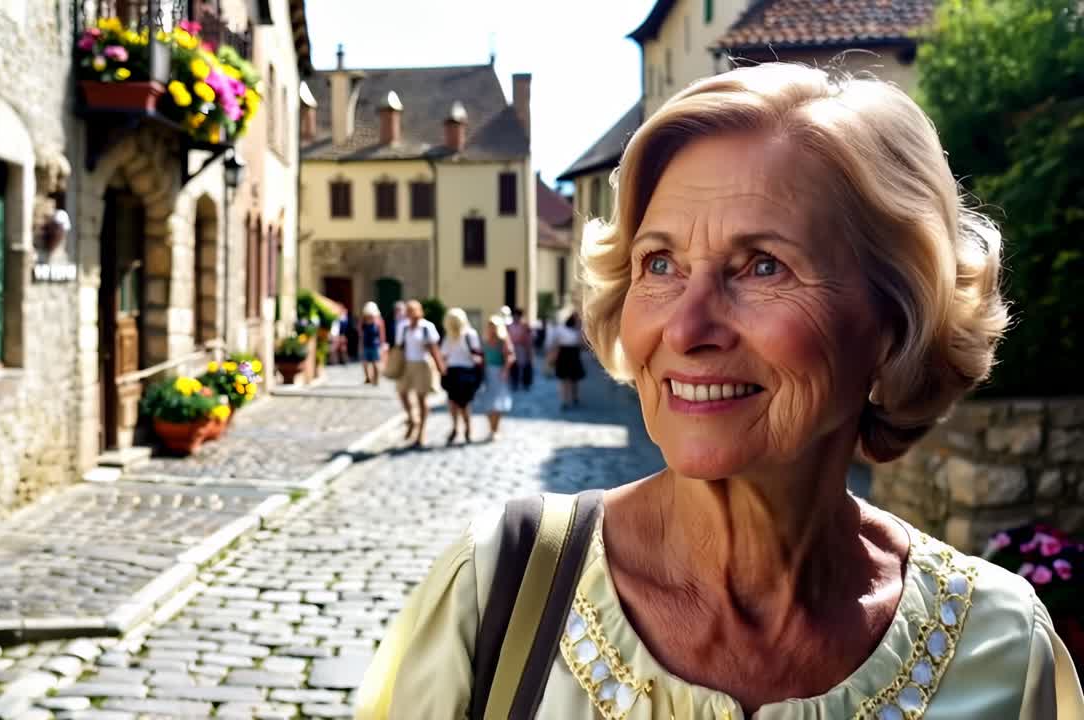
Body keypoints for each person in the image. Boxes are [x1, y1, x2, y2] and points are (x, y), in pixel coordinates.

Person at [356, 64, 1082, 718]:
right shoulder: (498, 592)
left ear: (896, 321)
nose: (687, 326)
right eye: (660, 263)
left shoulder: (1003, 651)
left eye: (763, 266)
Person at [394, 300, 444, 448]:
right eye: (409, 311)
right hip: (407, 364)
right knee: (402, 393)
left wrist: (441, 367)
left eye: (413, 310)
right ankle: (412, 418)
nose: (411, 314)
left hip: (422, 365)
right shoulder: (403, 327)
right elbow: (399, 346)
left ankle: (421, 432)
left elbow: (434, 349)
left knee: (421, 399)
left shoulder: (427, 327)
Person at [438, 308, 484, 444]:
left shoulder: (469, 334)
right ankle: (459, 428)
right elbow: (444, 355)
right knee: (456, 402)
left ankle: (465, 427)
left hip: (463, 372)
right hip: (455, 372)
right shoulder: (450, 336)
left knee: (461, 403)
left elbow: (476, 354)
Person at [472, 315, 514, 440]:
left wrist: (505, 370)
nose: (491, 328)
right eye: (490, 326)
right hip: (487, 373)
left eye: (494, 326)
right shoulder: (485, 340)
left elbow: (510, 357)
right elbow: (483, 357)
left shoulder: (503, 340)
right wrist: (478, 361)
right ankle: (491, 428)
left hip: (499, 372)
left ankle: (495, 428)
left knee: (498, 403)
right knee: (488, 402)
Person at [547, 312, 586, 410]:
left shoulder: (578, 331)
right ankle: (565, 400)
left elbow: (582, 345)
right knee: (565, 379)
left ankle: (573, 397)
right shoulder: (561, 329)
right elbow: (555, 343)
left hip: (573, 355)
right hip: (565, 355)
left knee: (574, 379)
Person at [506, 308, 535, 392]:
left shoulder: (525, 326)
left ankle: (525, 383)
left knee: (525, 366)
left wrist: (529, 351)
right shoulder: (509, 326)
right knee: (514, 366)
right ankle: (514, 383)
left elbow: (529, 339)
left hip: (522, 348)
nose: (515, 318)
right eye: (514, 316)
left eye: (517, 316)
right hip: (512, 348)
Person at [358, 302, 386, 386]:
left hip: (375, 345)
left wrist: (382, 345)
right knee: (365, 363)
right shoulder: (363, 321)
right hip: (366, 344)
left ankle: (376, 379)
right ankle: (368, 378)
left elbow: (382, 334)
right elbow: (360, 334)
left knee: (375, 363)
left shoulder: (379, 321)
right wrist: (360, 345)